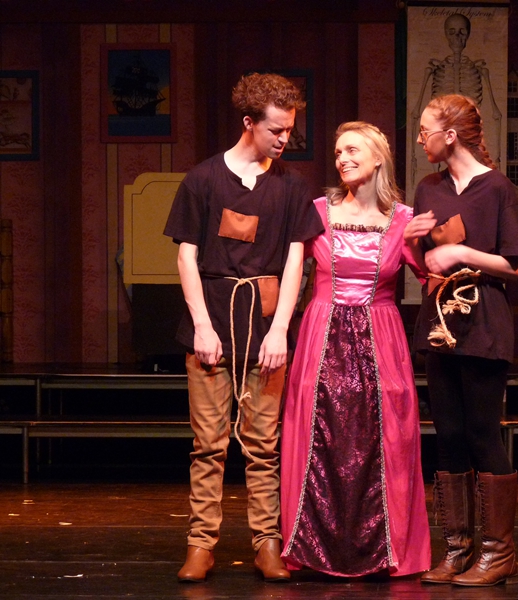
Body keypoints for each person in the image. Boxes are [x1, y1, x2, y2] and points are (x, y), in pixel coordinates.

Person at [163, 72, 324, 583]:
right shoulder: (203, 179)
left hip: (264, 323)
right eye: (276, 129)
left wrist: (280, 330)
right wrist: (202, 325)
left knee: (262, 445)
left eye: (290, 129)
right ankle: (200, 543)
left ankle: (266, 542)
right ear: (249, 122)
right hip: (213, 320)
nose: (284, 139)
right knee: (208, 444)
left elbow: (297, 261)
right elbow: (187, 256)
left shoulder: (291, 186)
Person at [279, 121, 431, 578]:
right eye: (338, 152)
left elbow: (432, 277)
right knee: (319, 438)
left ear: (378, 158)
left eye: (351, 150)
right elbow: (290, 271)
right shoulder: (318, 212)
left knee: (385, 440)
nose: (342, 159)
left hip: (380, 338)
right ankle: (310, 547)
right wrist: (278, 328)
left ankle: (387, 549)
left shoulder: (402, 220)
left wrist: (435, 246)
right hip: (322, 335)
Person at [404, 93, 518, 587]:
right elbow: (423, 265)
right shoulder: (428, 189)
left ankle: (499, 553)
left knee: (481, 433)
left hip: (483, 323)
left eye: (425, 130)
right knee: (449, 434)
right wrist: (412, 242)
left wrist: (460, 252)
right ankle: (457, 550)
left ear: (450, 135)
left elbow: (515, 265)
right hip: (440, 324)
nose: (420, 139)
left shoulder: (496, 188)